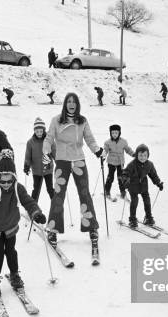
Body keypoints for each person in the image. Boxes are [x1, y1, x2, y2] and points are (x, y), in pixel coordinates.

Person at [0, 150, 46, 295]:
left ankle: (14, 275)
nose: (6, 184)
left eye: (9, 181)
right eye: (2, 181)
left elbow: (28, 201)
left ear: (14, 178)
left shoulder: (17, 188)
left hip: (10, 226)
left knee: (11, 252)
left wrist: (36, 213)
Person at [42, 92, 104, 251]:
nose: (71, 104)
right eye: (68, 101)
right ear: (65, 104)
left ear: (77, 104)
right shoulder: (56, 120)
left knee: (84, 194)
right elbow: (49, 138)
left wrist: (97, 150)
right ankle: (53, 229)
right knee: (58, 194)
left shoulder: (82, 121)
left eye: (74, 102)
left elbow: (89, 139)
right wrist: (46, 151)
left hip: (78, 161)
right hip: (62, 161)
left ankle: (92, 227)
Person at [121, 144, 163, 228]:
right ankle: (132, 220)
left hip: (143, 185)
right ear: (136, 155)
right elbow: (125, 173)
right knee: (135, 201)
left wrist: (158, 183)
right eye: (140, 155)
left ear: (148, 156)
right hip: (132, 185)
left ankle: (148, 217)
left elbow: (153, 175)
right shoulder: (132, 164)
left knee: (147, 201)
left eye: (145, 155)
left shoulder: (149, 164)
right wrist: (125, 181)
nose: (142, 157)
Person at [24, 117, 55, 202]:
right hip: (36, 171)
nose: (39, 133)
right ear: (34, 131)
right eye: (37, 131)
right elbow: (28, 156)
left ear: (44, 130)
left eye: (41, 131)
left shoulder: (49, 141)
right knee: (36, 190)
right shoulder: (30, 142)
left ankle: (56, 206)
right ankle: (33, 208)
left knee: (50, 189)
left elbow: (55, 153)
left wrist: (59, 162)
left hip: (48, 169)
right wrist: (27, 165)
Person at [104, 124, 134, 200]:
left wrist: (133, 154)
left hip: (120, 163)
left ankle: (123, 193)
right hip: (111, 162)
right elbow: (105, 151)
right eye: (113, 133)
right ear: (110, 133)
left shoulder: (123, 142)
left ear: (119, 133)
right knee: (110, 177)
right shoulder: (108, 142)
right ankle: (107, 191)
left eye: (116, 133)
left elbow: (128, 149)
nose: (114, 135)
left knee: (121, 178)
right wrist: (103, 156)